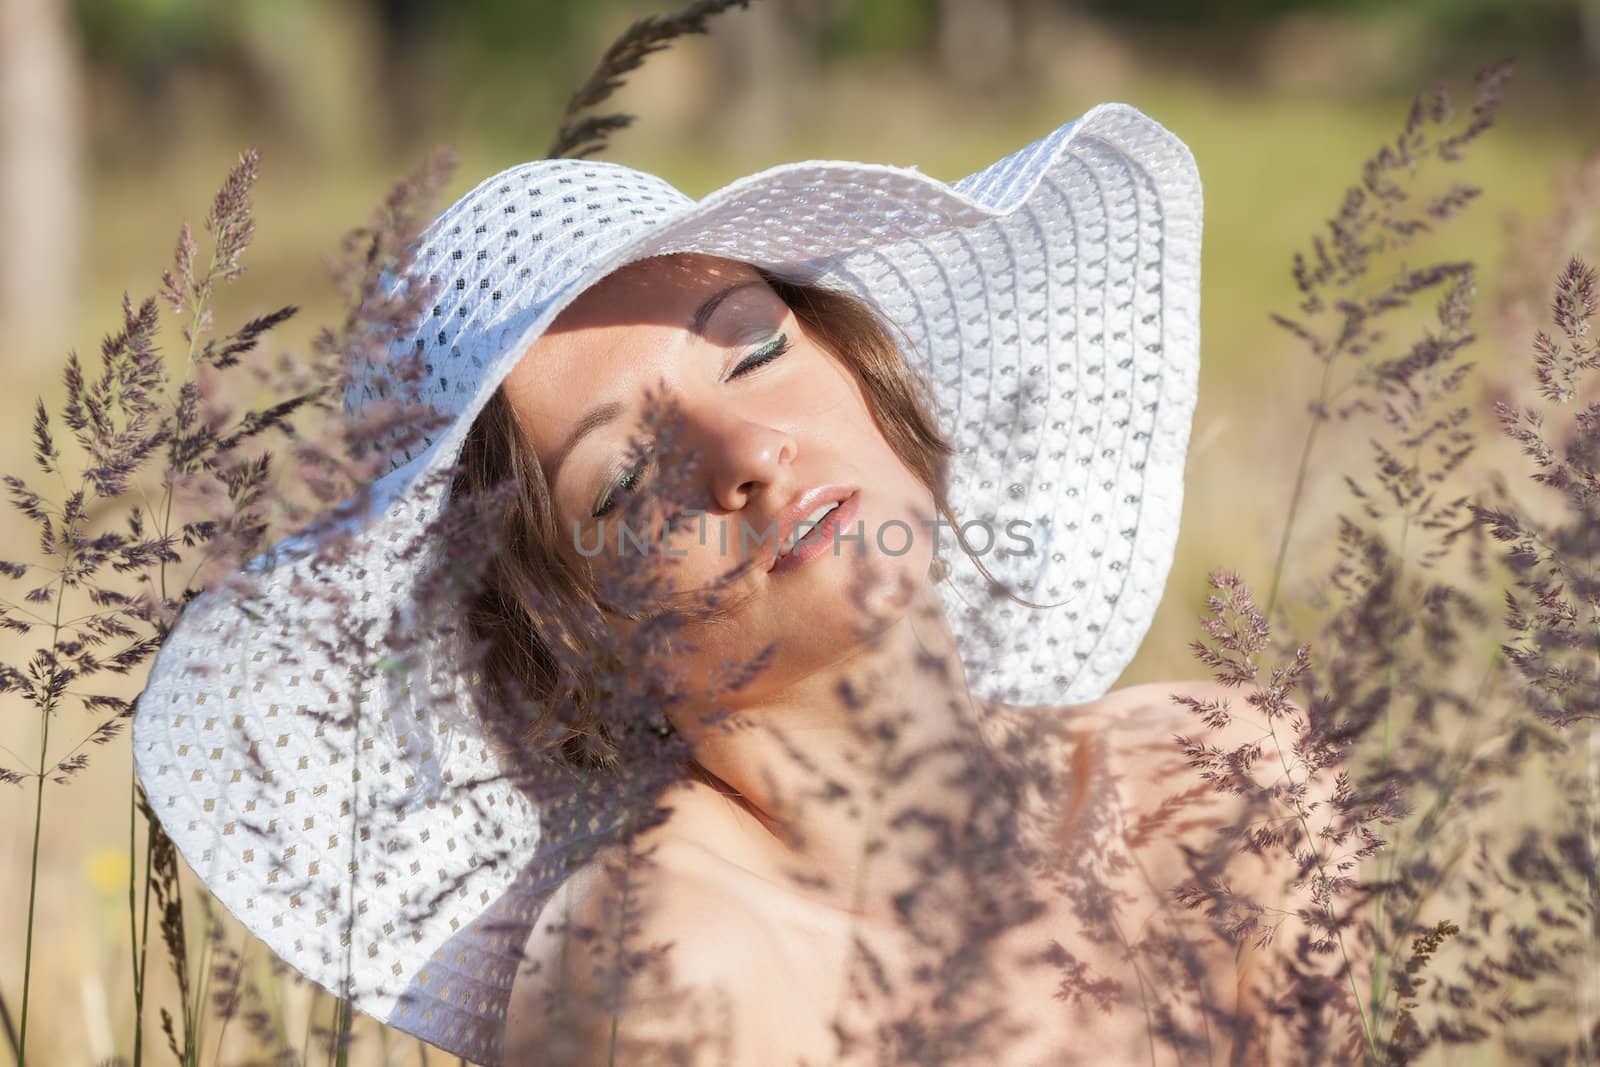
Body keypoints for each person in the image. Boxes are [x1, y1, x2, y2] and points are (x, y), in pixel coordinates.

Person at [133, 102, 1345, 1066]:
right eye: (625, 474)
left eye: (754, 347)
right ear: (567, 628)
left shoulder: (1220, 772)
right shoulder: (666, 964)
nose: (751, 455)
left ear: (867, 366)